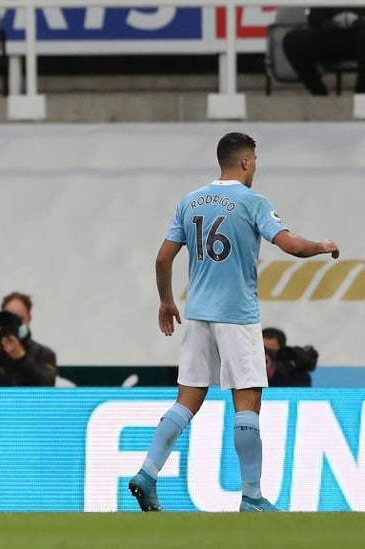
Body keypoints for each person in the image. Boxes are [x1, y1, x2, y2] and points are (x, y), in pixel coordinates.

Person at [127, 132, 339, 513]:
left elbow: (162, 259)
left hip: (196, 316)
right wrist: (321, 247)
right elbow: (290, 245)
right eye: (254, 160)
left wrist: (165, 301)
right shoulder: (253, 202)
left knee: (187, 399)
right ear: (244, 162)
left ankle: (147, 472)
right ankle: (252, 496)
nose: (255, 166)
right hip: (237, 317)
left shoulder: (189, 202)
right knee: (248, 401)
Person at [282, 7, 365, 95]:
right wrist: (332, 22)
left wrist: (357, 21)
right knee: (292, 40)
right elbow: (314, 15)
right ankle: (320, 94)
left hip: (359, 32)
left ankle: (361, 98)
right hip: (331, 32)